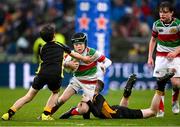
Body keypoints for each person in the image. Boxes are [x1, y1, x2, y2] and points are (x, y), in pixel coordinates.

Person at [1, 24, 92, 121]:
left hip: (42, 73)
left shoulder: (42, 48)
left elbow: (43, 58)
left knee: (28, 96)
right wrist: (84, 58)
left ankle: (8, 113)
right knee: (55, 93)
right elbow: (74, 54)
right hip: (55, 75)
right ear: (54, 35)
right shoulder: (61, 45)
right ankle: (46, 114)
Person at [47, 32, 112, 118]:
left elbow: (108, 61)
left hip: (90, 84)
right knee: (62, 99)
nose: (79, 46)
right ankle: (46, 114)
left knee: (83, 110)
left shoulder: (92, 53)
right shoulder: (71, 54)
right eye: (76, 44)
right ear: (73, 45)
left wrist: (104, 65)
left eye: (81, 44)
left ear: (85, 44)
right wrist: (68, 64)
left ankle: (71, 111)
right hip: (77, 80)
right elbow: (60, 63)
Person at [59, 72, 175, 119]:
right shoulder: (91, 97)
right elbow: (87, 114)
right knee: (121, 108)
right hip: (116, 111)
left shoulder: (97, 98)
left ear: (96, 90)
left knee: (152, 112)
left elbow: (98, 113)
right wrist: (67, 114)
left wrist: (87, 102)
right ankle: (126, 93)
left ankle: (160, 87)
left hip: (119, 112)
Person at [147, 1, 180, 117]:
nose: (162, 14)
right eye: (161, 12)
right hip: (161, 55)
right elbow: (153, 40)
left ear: (172, 13)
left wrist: (175, 52)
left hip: (176, 55)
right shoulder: (156, 24)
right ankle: (160, 109)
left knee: (176, 84)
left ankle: (175, 101)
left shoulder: (178, 24)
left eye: (165, 12)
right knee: (160, 82)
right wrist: (150, 57)